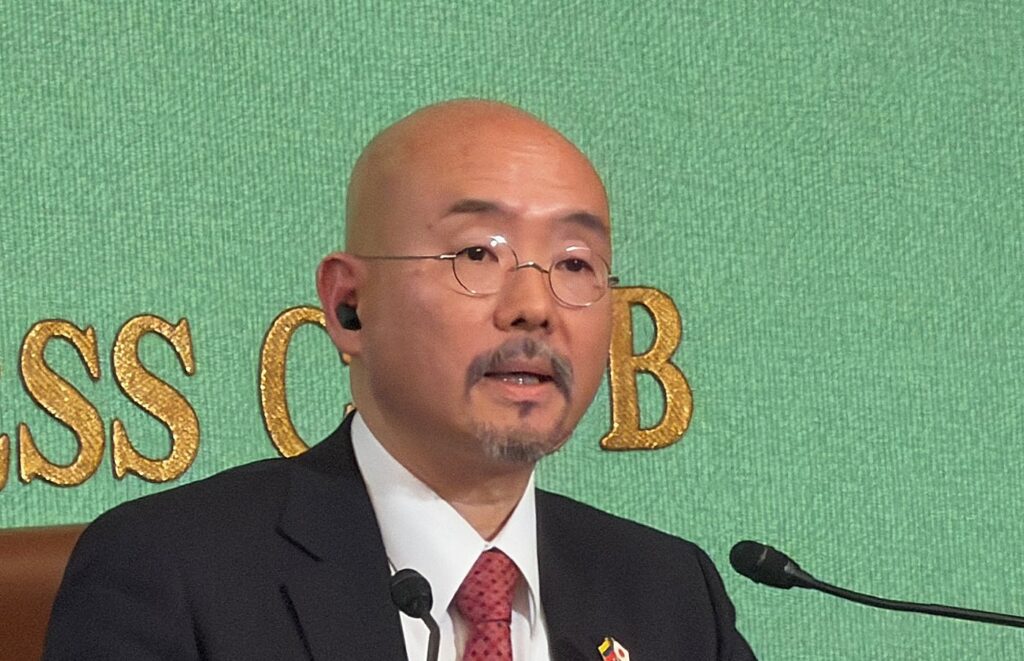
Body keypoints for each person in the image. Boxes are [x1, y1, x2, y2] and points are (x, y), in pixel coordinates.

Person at [45, 100, 756, 660]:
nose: (535, 307)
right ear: (349, 306)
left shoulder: (669, 593)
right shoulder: (172, 572)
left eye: (575, 263)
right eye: (477, 254)